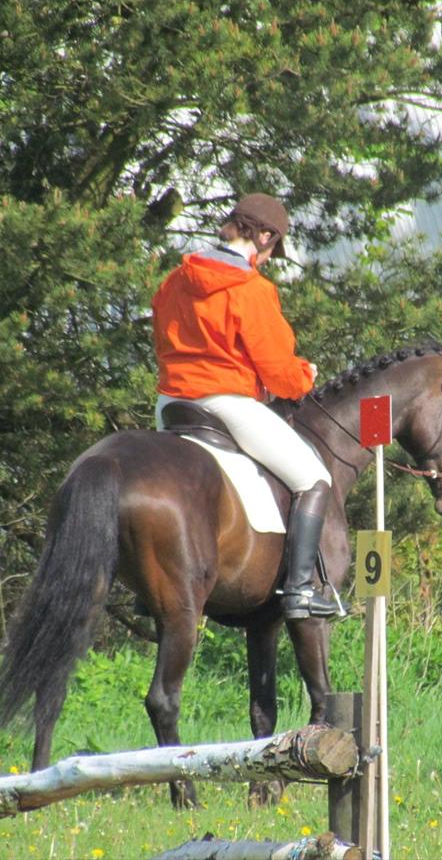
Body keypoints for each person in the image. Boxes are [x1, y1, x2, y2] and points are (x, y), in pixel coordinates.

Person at [151, 193, 338, 619]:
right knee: (314, 478)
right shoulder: (252, 290)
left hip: (171, 404)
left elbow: (161, 339)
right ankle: (299, 591)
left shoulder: (174, 280)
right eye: (273, 249)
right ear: (265, 236)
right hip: (225, 403)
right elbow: (277, 371)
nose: (270, 259)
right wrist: (304, 375)